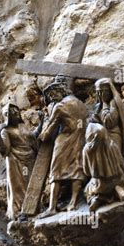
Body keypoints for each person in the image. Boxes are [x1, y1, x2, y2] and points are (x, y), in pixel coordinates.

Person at [37, 75, 87, 218]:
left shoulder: (59, 106)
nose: (52, 98)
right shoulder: (80, 103)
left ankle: (52, 207)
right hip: (79, 138)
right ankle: (73, 203)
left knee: (56, 173)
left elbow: (50, 129)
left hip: (64, 141)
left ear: (59, 91)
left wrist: (41, 134)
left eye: (52, 94)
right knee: (77, 168)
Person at [83, 77, 124, 211]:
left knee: (113, 160)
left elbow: (109, 121)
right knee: (95, 157)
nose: (101, 95)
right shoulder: (99, 106)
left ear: (110, 91)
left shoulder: (113, 103)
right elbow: (93, 122)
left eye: (104, 92)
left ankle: (117, 187)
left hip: (113, 137)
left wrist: (105, 105)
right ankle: (99, 194)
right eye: (98, 92)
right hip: (101, 138)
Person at [0, 103, 40, 220]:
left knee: (30, 184)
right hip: (16, 161)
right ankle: (18, 212)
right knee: (18, 187)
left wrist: (41, 126)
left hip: (29, 160)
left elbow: (32, 138)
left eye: (17, 111)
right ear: (7, 115)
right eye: (12, 112)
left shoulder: (23, 127)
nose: (16, 113)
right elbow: (5, 150)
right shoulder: (6, 131)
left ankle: (32, 208)